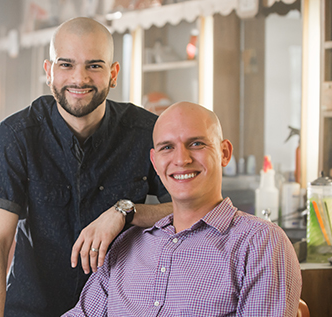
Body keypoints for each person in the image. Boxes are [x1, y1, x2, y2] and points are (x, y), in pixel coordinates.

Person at [0, 17, 171, 317]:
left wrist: (126, 211)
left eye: (94, 65)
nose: (79, 78)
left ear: (113, 73)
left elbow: (192, 210)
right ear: (49, 71)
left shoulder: (147, 132)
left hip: (119, 309)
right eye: (66, 64)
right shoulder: (16, 136)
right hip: (33, 310)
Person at [63, 102, 303, 317]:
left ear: (224, 153)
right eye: (167, 147)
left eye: (196, 143)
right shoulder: (125, 246)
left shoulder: (260, 244)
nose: (181, 159)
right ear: (155, 162)